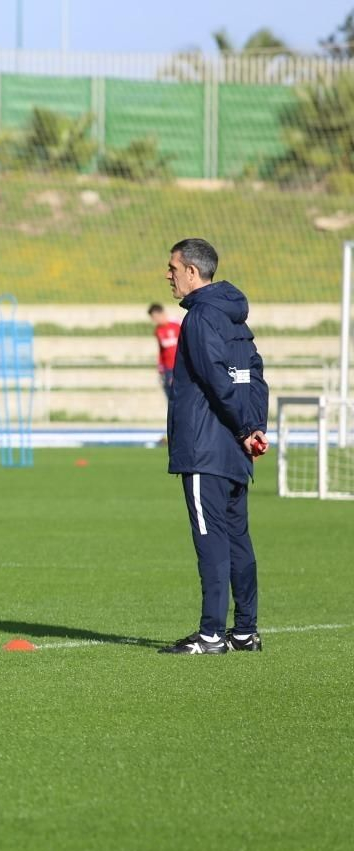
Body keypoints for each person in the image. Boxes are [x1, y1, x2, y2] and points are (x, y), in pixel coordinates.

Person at [158, 237, 268, 655]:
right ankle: (245, 631)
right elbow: (254, 376)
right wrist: (254, 428)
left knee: (212, 542)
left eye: (172, 268)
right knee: (238, 539)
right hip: (235, 450)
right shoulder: (234, 317)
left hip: (207, 450)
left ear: (192, 271)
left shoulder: (201, 317)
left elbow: (216, 379)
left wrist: (245, 428)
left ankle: (210, 635)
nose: (168, 275)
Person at [148, 302, 181, 403]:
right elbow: (161, 350)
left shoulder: (177, 324)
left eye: (155, 317)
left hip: (180, 365)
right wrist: (160, 366)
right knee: (170, 395)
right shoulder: (158, 331)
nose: (155, 320)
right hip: (168, 368)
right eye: (153, 318)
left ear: (162, 313)